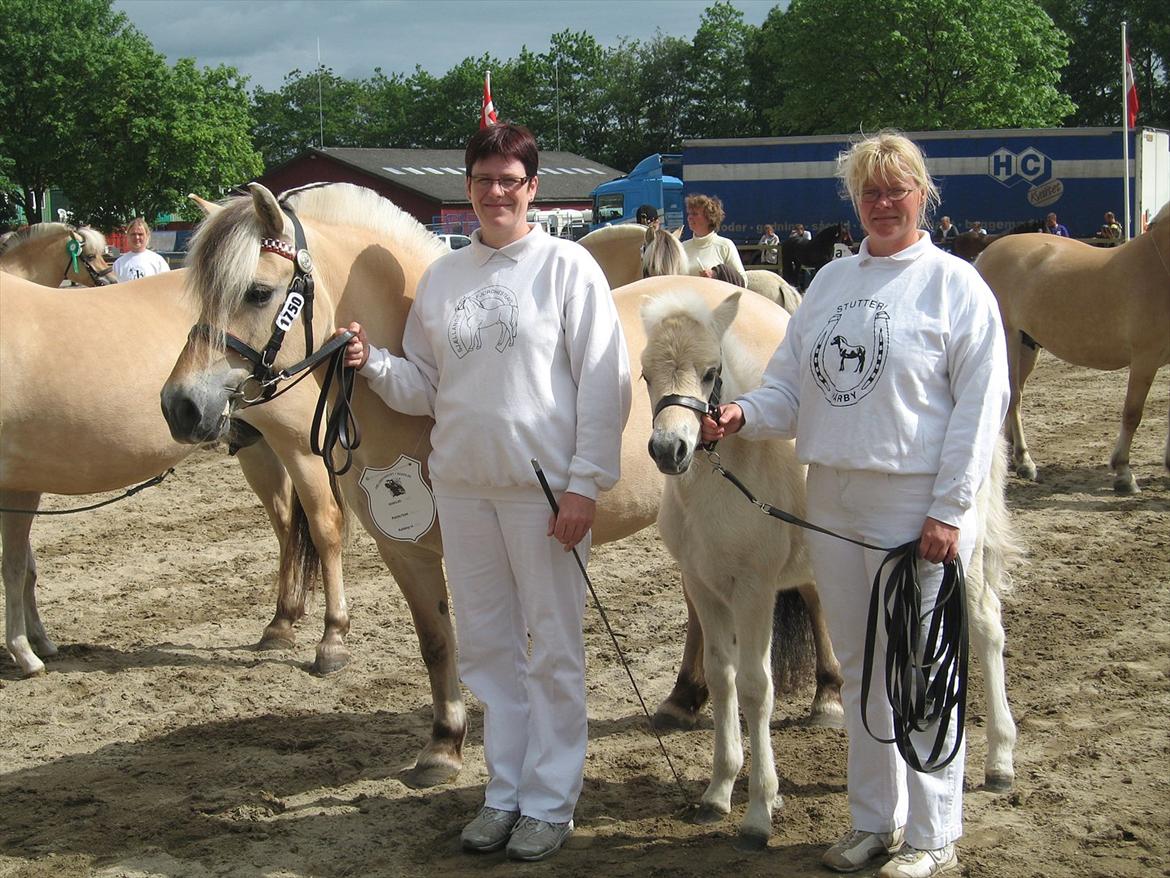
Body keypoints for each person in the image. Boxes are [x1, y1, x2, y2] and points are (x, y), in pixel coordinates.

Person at [701, 131, 1008, 878]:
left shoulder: (955, 286)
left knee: (921, 669)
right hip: (833, 498)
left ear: (922, 195)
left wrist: (950, 510)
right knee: (865, 667)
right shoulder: (832, 284)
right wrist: (742, 414)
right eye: (869, 191)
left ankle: (934, 832)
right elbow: (788, 388)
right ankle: (875, 818)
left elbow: (980, 407)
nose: (882, 203)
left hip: (916, 503)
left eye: (896, 190)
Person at [337, 122, 631, 863]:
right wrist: (373, 364)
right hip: (463, 490)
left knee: (554, 649)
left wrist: (584, 484)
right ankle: (504, 794)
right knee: (491, 653)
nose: (496, 192)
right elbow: (426, 387)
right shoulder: (444, 278)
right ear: (467, 187)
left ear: (533, 188)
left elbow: (605, 383)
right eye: (483, 179)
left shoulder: (567, 267)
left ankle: (551, 802)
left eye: (509, 180)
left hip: (543, 493)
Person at [682, 193, 746, 284]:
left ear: (709, 218)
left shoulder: (725, 246)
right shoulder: (682, 247)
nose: (689, 218)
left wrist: (716, 275)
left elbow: (743, 281)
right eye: (689, 214)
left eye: (695, 214)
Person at [112, 217, 170, 282]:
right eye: (133, 234)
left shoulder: (158, 261)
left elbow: (167, 284)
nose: (137, 237)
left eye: (140, 234)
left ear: (147, 236)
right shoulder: (118, 264)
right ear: (127, 236)